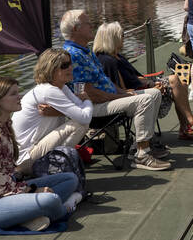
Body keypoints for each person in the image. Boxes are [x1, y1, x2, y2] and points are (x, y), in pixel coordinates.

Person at [60, 10, 171, 171]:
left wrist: (122, 93)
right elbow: (88, 92)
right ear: (76, 29)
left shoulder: (86, 51)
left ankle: (138, 146)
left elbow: (107, 82)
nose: (92, 25)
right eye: (87, 23)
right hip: (93, 108)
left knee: (154, 93)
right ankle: (142, 155)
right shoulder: (73, 55)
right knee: (145, 99)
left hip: (106, 99)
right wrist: (117, 97)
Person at [0, 77, 80, 231]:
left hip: (10, 190)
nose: (20, 97)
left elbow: (9, 174)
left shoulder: (5, 126)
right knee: (49, 200)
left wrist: (27, 189)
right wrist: (31, 191)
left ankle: (25, 216)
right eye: (13, 94)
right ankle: (64, 208)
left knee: (70, 179)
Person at [93, 22, 193, 141]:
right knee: (174, 80)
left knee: (180, 80)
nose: (124, 37)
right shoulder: (107, 61)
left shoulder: (117, 56)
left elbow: (136, 77)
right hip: (135, 96)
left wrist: (151, 83)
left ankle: (186, 127)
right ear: (113, 38)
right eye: (122, 35)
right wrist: (151, 88)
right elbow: (122, 90)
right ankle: (190, 125)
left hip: (143, 87)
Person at [12, 49, 93, 175]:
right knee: (80, 125)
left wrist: (62, 111)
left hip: (35, 149)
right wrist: (87, 100)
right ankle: (56, 166)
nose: (71, 67)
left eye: (70, 63)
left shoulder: (61, 87)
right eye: (64, 65)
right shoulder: (49, 91)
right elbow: (84, 117)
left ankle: (58, 163)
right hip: (26, 158)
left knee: (79, 121)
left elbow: (80, 110)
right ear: (51, 69)